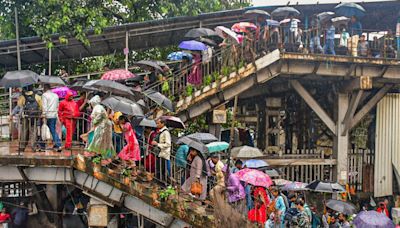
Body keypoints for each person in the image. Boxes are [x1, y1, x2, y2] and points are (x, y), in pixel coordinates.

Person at [15, 85, 44, 152]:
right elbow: (41, 107)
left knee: (24, 131)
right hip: (34, 116)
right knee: (34, 131)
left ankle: (22, 147)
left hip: (26, 116)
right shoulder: (37, 96)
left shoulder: (22, 97)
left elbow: (19, 106)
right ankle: (33, 147)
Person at [86, 95, 115, 162]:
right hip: (102, 126)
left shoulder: (98, 107)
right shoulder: (98, 107)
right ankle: (100, 155)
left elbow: (99, 115)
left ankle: (101, 155)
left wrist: (95, 121)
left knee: (100, 140)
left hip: (103, 126)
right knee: (101, 141)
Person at [42, 84, 61, 151]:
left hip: (48, 115)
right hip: (54, 114)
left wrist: (44, 114)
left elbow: (45, 106)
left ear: (45, 88)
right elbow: (57, 106)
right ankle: (56, 144)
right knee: (53, 129)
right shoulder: (55, 95)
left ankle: (58, 144)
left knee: (50, 130)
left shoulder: (44, 95)